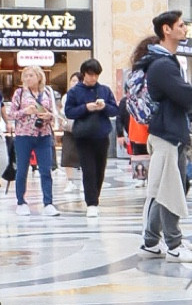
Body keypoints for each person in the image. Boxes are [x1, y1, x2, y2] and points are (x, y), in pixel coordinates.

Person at [134, 12, 192, 261]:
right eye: (181, 26)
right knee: (170, 189)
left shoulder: (166, 61)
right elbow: (188, 96)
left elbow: (183, 95)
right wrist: (189, 92)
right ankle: (174, 245)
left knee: (162, 188)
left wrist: (185, 93)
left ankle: (151, 241)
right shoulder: (162, 65)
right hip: (166, 133)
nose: (185, 29)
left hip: (169, 131)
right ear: (167, 29)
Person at [61, 59, 119, 216]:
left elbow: (115, 110)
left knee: (100, 169)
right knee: (89, 169)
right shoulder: (74, 92)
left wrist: (104, 106)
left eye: (96, 75)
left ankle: (95, 198)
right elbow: (69, 112)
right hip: (83, 136)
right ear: (84, 74)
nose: (93, 78)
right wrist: (86, 108)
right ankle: (91, 202)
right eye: (90, 74)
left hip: (102, 134)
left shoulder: (105, 90)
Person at [7, 65, 60, 215]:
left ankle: (48, 203)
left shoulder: (47, 92)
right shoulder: (20, 93)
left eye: (31, 75)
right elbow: (12, 114)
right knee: (22, 169)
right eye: (26, 76)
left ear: (39, 77)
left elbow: (53, 113)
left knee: (45, 170)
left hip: (43, 135)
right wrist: (26, 111)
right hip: (24, 135)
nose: (28, 78)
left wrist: (48, 116)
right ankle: (21, 202)